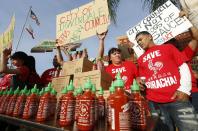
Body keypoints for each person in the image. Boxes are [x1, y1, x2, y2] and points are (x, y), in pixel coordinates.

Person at [135, 30, 198, 131]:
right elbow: (143, 79)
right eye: (137, 42)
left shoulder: (168, 47)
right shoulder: (140, 59)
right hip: (154, 103)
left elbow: (183, 66)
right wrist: (139, 83)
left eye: (141, 39)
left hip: (177, 98)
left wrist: (184, 89)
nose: (139, 43)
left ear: (150, 37)